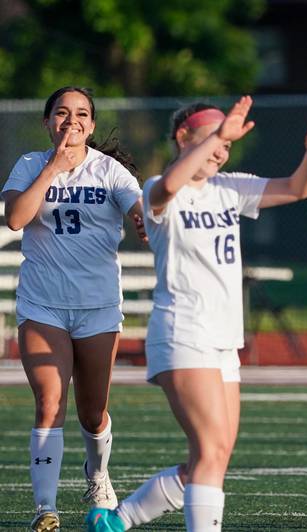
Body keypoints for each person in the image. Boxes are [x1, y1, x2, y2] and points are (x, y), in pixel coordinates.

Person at [86, 96, 307, 531]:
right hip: (183, 331)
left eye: (230, 140)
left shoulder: (228, 188)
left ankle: (117, 520)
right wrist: (221, 132)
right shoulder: (162, 188)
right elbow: (165, 190)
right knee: (210, 450)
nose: (224, 147)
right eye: (217, 136)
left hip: (223, 341)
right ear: (185, 138)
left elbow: (297, 189)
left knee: (212, 457)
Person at [2, 86, 146, 532]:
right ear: (48, 122)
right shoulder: (29, 165)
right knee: (50, 403)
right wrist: (53, 168)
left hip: (98, 307)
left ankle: (97, 474)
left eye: (81, 114)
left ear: (92, 124)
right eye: (62, 113)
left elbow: (139, 211)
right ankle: (45, 509)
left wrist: (145, 219)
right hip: (42, 304)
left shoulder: (111, 171)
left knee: (92, 412)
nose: (71, 121)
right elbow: (15, 218)